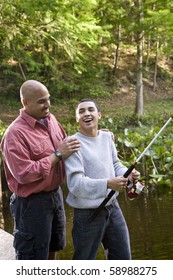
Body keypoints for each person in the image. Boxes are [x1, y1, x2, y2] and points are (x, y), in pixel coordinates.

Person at [0, 80, 80, 260]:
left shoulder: (50, 120)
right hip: (32, 204)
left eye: (48, 99)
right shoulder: (15, 134)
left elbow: (67, 145)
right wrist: (57, 155)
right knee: (33, 257)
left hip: (55, 196)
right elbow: (24, 173)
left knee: (54, 248)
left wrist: (96, 137)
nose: (47, 105)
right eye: (41, 101)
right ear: (25, 103)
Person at [64, 98, 140, 260]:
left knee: (123, 259)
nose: (87, 113)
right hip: (87, 214)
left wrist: (129, 174)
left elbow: (115, 164)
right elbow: (76, 185)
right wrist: (107, 183)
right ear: (77, 118)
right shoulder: (72, 143)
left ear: (99, 114)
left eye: (91, 110)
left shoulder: (106, 138)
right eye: (81, 111)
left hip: (113, 207)